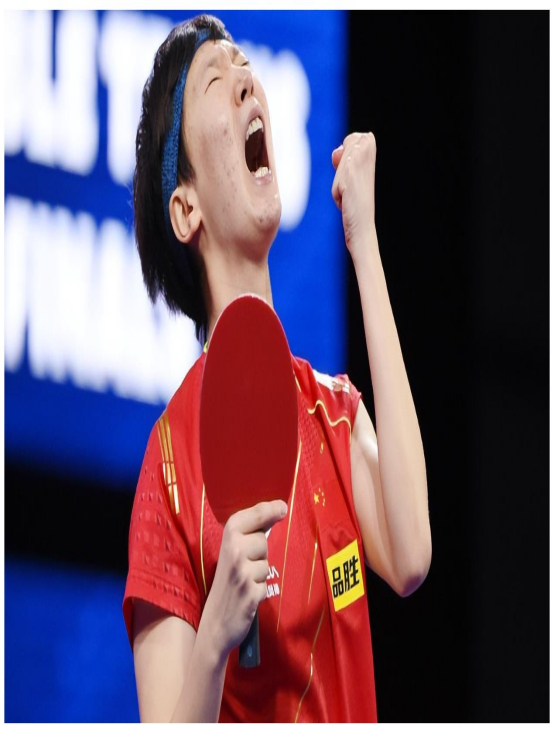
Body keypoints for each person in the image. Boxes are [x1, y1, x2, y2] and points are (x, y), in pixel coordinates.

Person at [122, 13, 431, 723]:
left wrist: (364, 242)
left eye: (244, 67)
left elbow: (412, 552)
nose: (246, 81)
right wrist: (215, 636)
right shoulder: (169, 469)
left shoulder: (333, 411)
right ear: (185, 209)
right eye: (216, 80)